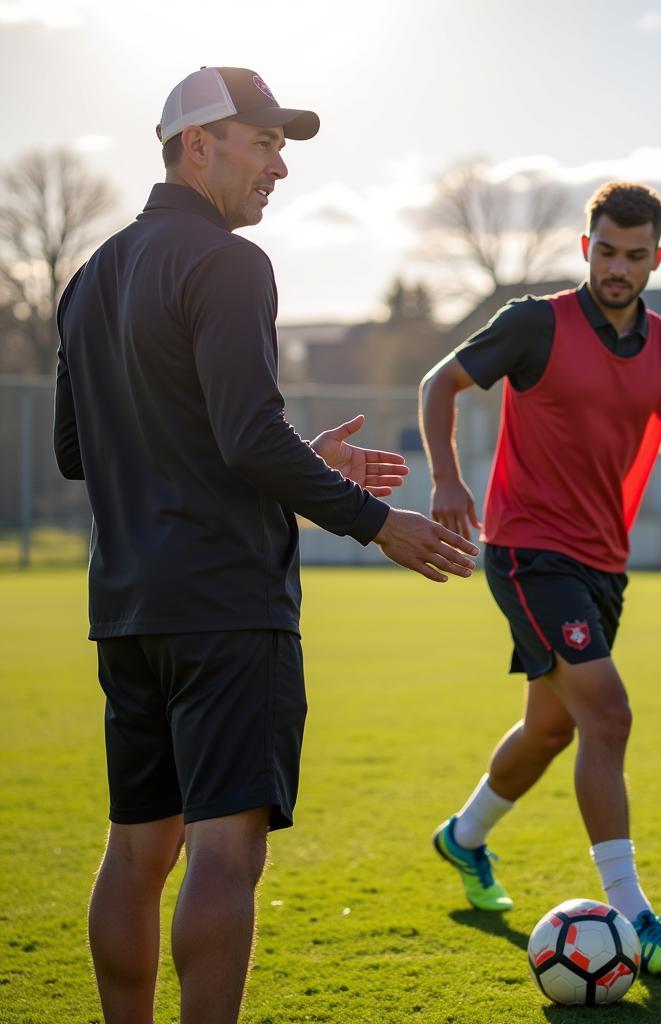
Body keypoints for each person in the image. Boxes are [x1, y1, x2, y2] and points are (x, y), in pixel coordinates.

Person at [54, 66, 477, 1024]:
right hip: (226, 608)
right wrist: (379, 524)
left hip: (125, 612)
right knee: (224, 852)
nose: (280, 166)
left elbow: (79, 451)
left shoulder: (88, 279)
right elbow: (246, 435)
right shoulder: (231, 263)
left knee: (135, 849)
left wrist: (301, 459)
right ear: (196, 144)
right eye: (265, 142)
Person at [419, 181, 661, 975]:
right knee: (611, 715)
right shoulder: (535, 323)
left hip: (602, 566)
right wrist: (449, 480)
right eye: (605, 250)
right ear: (585, 245)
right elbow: (438, 385)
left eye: (634, 255)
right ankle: (636, 919)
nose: (617, 267)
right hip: (528, 551)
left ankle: (463, 837)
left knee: (553, 729)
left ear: (657, 257)